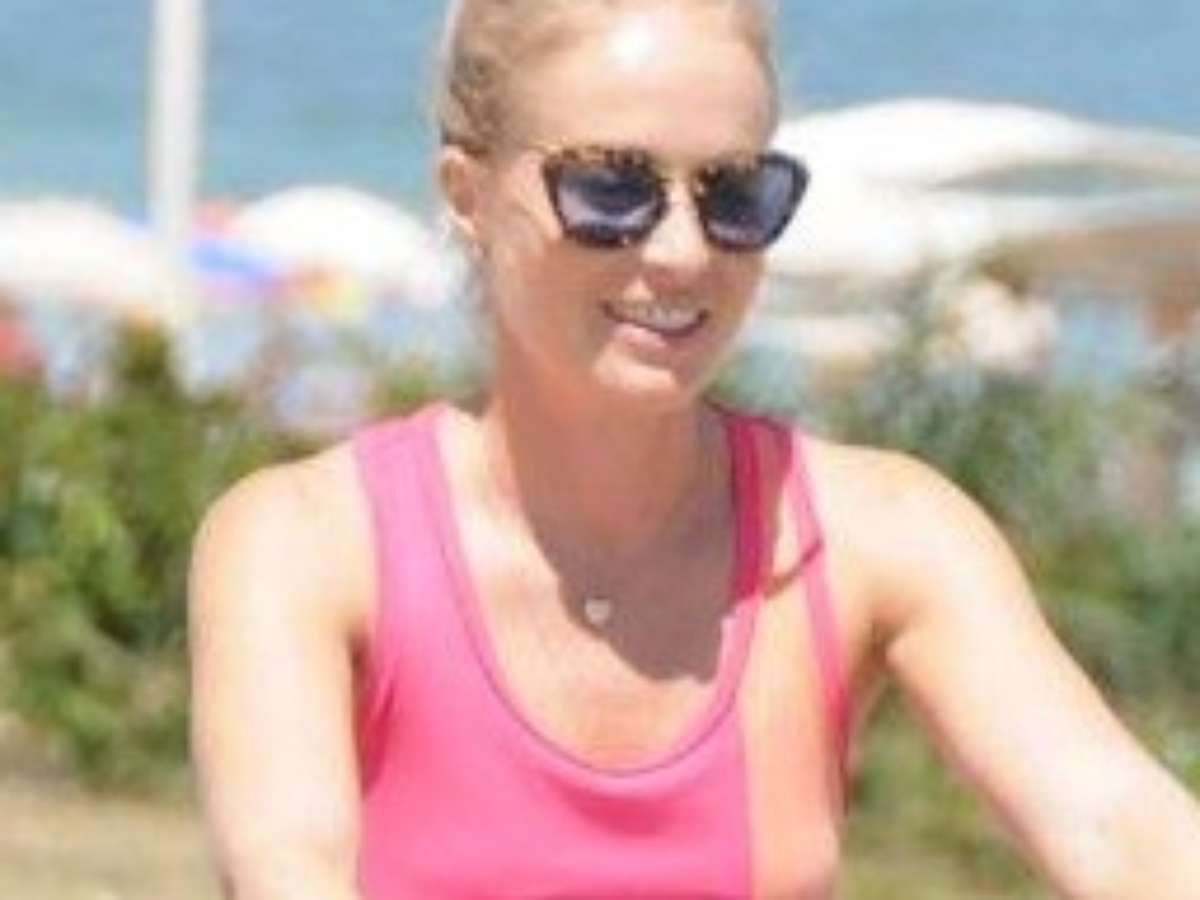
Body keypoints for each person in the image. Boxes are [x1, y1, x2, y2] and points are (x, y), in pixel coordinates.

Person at [188, 1, 1200, 897]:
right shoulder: (306, 546)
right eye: (609, 189)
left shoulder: (882, 536)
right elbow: (285, 869)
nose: (681, 251)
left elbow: (1118, 827)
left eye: (734, 195)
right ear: (467, 194)